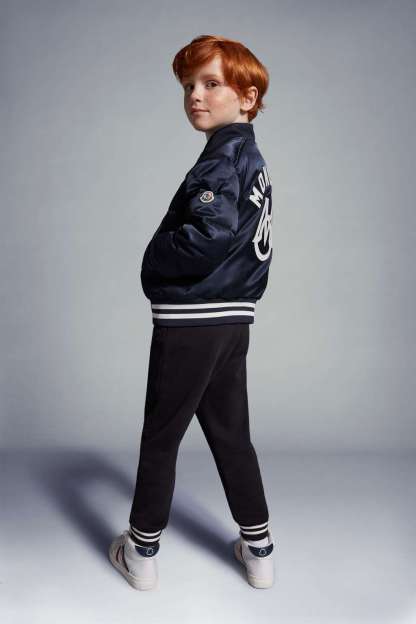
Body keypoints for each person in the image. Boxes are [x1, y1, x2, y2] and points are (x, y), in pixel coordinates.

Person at [109, 34, 275, 590]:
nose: (195, 96)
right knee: (232, 435)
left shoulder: (220, 160)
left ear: (247, 98)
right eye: (188, 86)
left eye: (211, 84)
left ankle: (140, 552)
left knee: (161, 436)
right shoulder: (252, 158)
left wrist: (152, 259)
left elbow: (208, 238)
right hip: (233, 320)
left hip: (193, 322)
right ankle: (259, 551)